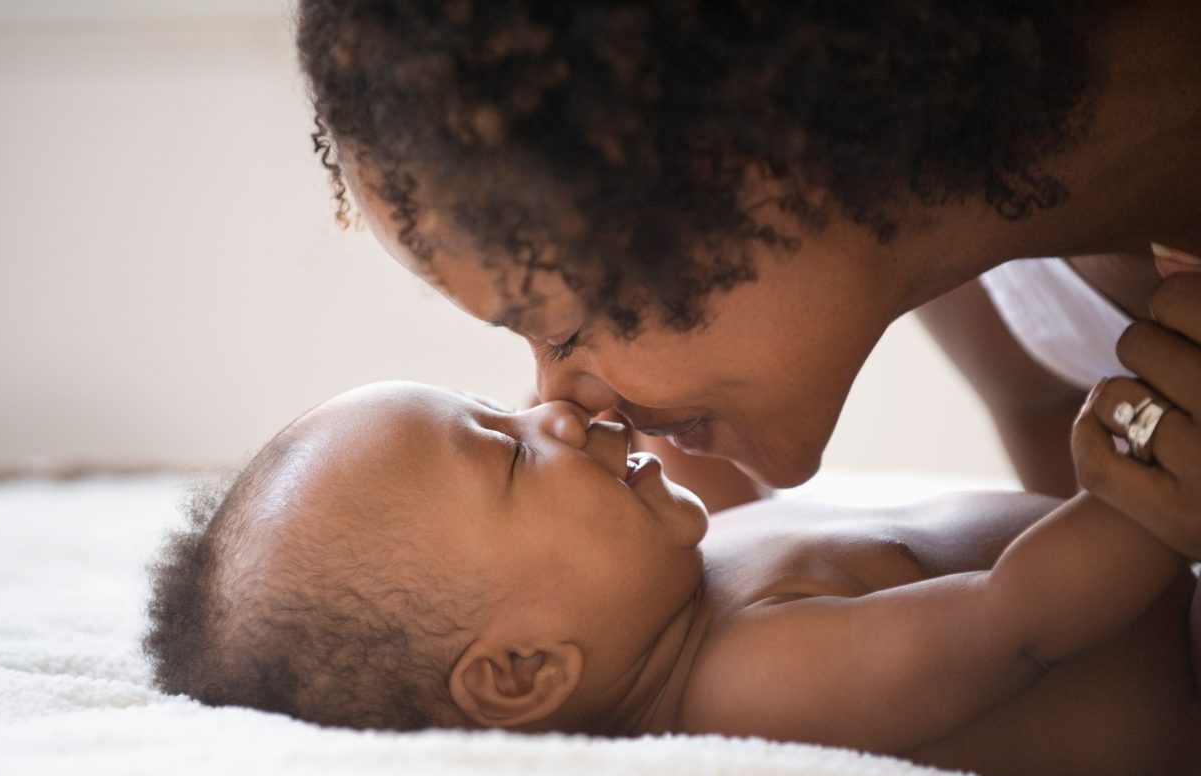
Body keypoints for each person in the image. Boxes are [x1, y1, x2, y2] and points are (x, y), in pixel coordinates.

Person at [294, 0, 1201, 554]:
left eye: (567, 328)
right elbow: (1062, 440)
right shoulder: (953, 229)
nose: (566, 405)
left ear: (746, 139)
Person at [143, 382, 1200, 776]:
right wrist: (1141, 500)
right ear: (521, 672)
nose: (552, 410)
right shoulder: (747, 679)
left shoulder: (673, 578)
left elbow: (716, 454)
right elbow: (1012, 621)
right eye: (513, 451)